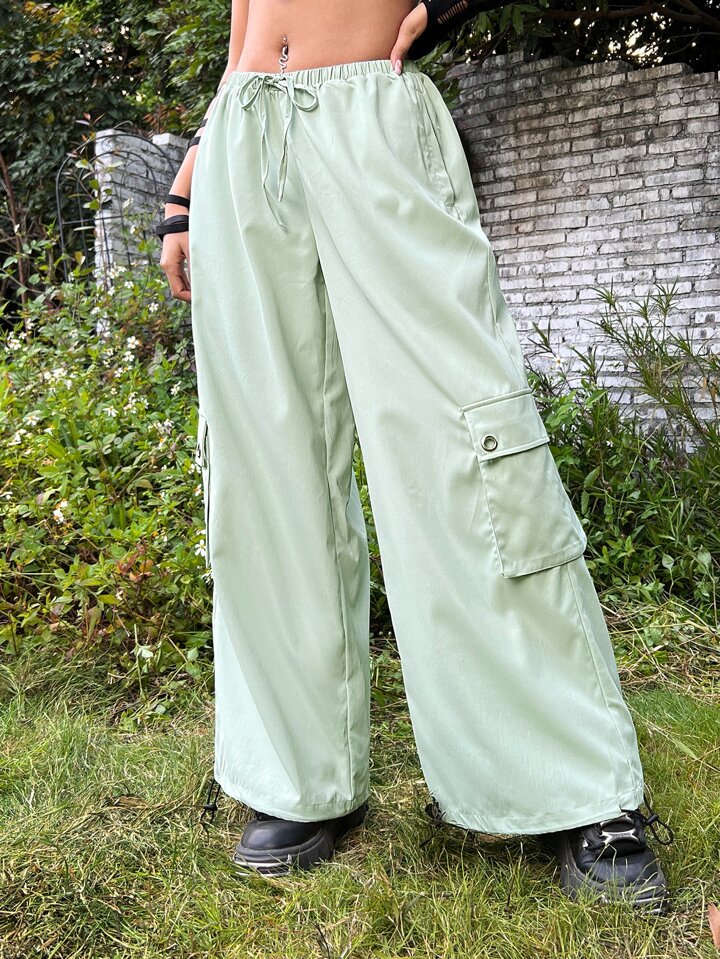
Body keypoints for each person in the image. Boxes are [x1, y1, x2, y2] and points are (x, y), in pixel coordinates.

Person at [157, 0, 674, 909]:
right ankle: (300, 777)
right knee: (264, 470)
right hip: (241, 135)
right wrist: (194, 172)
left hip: (372, 114)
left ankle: (579, 784)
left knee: (466, 441)